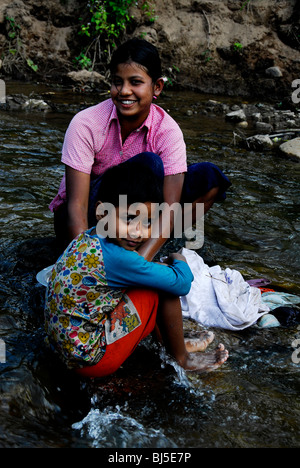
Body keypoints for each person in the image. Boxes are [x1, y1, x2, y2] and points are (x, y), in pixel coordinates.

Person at [49, 38, 231, 259]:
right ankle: (110, 251)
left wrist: (138, 268)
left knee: (210, 177)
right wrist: (85, 262)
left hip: (140, 220)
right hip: (92, 215)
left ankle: (148, 247)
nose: (124, 91)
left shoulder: (168, 131)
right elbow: (76, 205)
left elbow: (171, 207)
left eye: (135, 82)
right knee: (150, 163)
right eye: (117, 82)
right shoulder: (86, 123)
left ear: (157, 87)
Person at [44, 162, 229, 378]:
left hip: (63, 348)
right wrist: (178, 258)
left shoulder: (91, 236)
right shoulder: (120, 259)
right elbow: (182, 283)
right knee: (162, 284)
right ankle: (182, 358)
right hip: (90, 361)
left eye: (148, 222)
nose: (138, 232)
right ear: (102, 213)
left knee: (152, 275)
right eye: (130, 218)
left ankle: (168, 343)